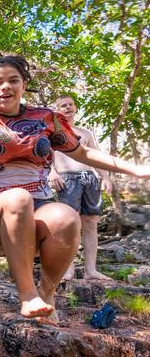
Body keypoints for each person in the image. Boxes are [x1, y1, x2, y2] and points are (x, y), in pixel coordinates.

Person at [0, 55, 150, 323]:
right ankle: (27, 294)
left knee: (67, 216)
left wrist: (136, 169)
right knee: (17, 198)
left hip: (38, 212)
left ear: (24, 84)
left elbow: (83, 153)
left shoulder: (46, 118)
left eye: (13, 80)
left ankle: (47, 293)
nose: (5, 87)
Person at [49, 95, 112, 281]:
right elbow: (44, 156)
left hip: (89, 178)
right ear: (57, 110)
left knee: (91, 223)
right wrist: (52, 173)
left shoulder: (85, 133)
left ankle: (90, 270)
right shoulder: (53, 132)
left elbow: (95, 157)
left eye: (70, 105)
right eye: (63, 105)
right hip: (67, 179)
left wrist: (105, 176)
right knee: (70, 224)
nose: (67, 108)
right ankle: (67, 270)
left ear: (75, 108)